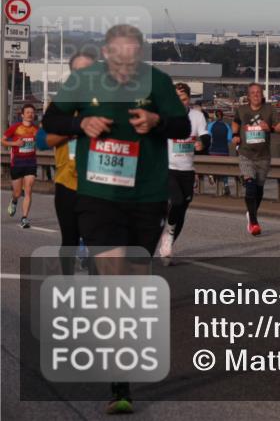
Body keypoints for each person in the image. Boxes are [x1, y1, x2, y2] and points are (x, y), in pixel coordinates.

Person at [42, 24, 190, 414]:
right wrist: (80, 124)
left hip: (146, 196)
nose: (125, 66)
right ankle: (120, 384)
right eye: (118, 58)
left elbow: (183, 126)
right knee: (111, 276)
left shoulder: (157, 81)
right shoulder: (84, 80)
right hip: (99, 196)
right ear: (106, 52)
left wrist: (157, 122)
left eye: (132, 59)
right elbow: (51, 122)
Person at [35, 51, 97, 271]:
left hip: (99, 184)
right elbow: (42, 141)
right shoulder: (60, 106)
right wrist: (74, 129)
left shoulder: (107, 104)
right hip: (68, 183)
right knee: (70, 240)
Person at [158, 83, 210, 264]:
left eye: (184, 99)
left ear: (189, 99)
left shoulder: (197, 116)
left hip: (187, 169)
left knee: (181, 210)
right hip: (168, 167)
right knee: (177, 201)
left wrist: (202, 144)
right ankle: (166, 230)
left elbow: (205, 135)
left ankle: (168, 241)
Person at [232, 83, 280, 236]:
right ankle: (254, 222)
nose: (256, 95)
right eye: (253, 93)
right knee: (250, 185)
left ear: (262, 94)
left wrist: (271, 128)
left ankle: (251, 213)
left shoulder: (269, 110)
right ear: (248, 96)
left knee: (259, 189)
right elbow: (235, 122)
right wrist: (235, 135)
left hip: (263, 156)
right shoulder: (242, 110)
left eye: (258, 92)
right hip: (246, 154)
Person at [4, 104, 39, 228]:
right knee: (18, 193)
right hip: (17, 163)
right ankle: (14, 201)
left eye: (32, 112)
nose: (30, 114)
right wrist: (15, 143)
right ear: (22, 115)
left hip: (31, 162)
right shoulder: (15, 128)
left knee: (28, 189)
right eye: (28, 112)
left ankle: (24, 218)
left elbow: (42, 140)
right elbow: (2, 140)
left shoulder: (36, 128)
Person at [208, 109, 233, 195]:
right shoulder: (227, 126)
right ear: (222, 116)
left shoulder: (211, 125)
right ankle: (226, 184)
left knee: (213, 166)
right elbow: (229, 139)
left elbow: (208, 137)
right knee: (224, 169)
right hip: (224, 151)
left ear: (215, 116)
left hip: (213, 150)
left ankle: (211, 175)